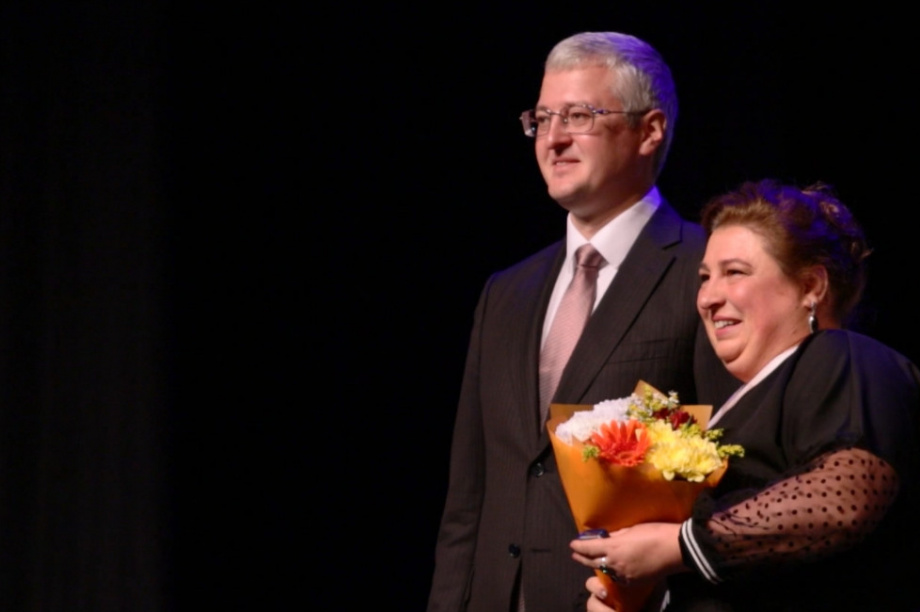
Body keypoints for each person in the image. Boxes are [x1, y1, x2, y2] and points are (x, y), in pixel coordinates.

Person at [427, 32, 733, 612]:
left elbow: (734, 474)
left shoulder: (708, 269)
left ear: (650, 131)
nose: (554, 139)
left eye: (580, 115)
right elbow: (469, 497)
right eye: (541, 119)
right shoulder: (506, 291)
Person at [570, 180, 920, 611]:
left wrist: (677, 544)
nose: (708, 297)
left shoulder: (848, 357)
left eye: (734, 272)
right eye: (704, 277)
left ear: (811, 286)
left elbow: (846, 495)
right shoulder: (741, 405)